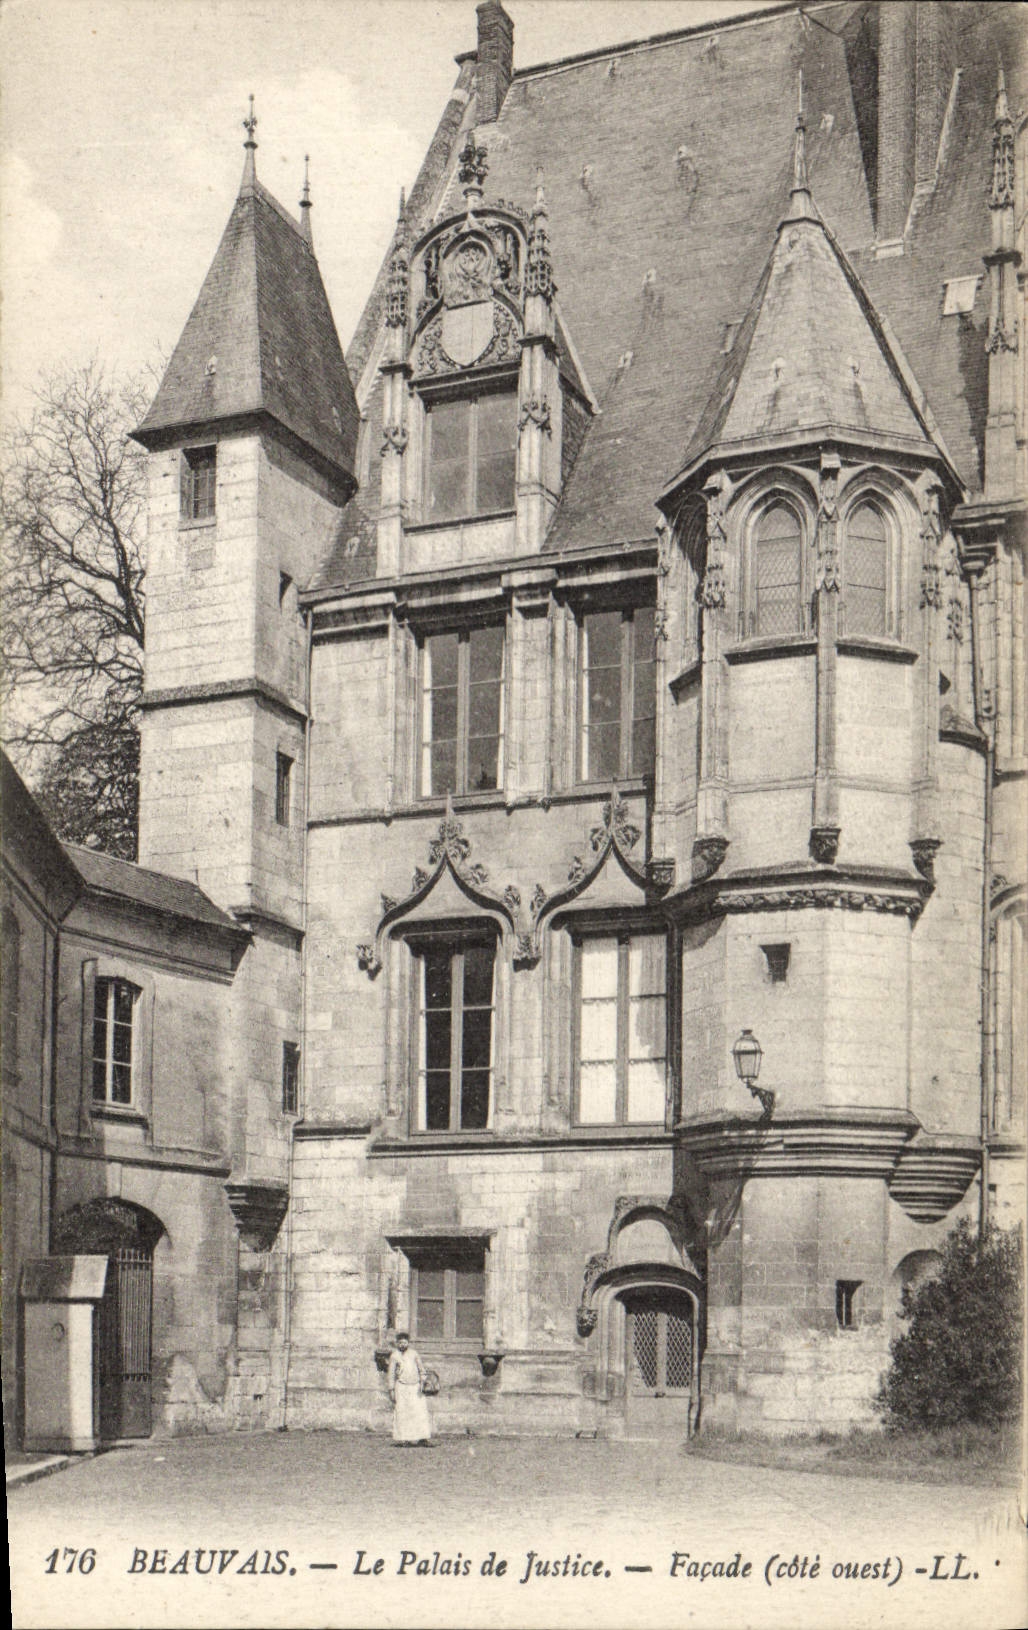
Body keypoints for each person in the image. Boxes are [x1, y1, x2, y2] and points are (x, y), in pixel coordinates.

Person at [387, 1331, 433, 1446]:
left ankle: (423, 1438)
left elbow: (422, 1370)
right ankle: (404, 1439)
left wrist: (423, 1382)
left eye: (405, 1342)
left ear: (408, 1343)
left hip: (415, 1387)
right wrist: (391, 1390)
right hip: (401, 1387)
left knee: (419, 1412)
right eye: (400, 1343)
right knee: (402, 1413)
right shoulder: (394, 1356)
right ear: (397, 1343)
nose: (402, 1345)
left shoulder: (414, 1354)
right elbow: (391, 1374)